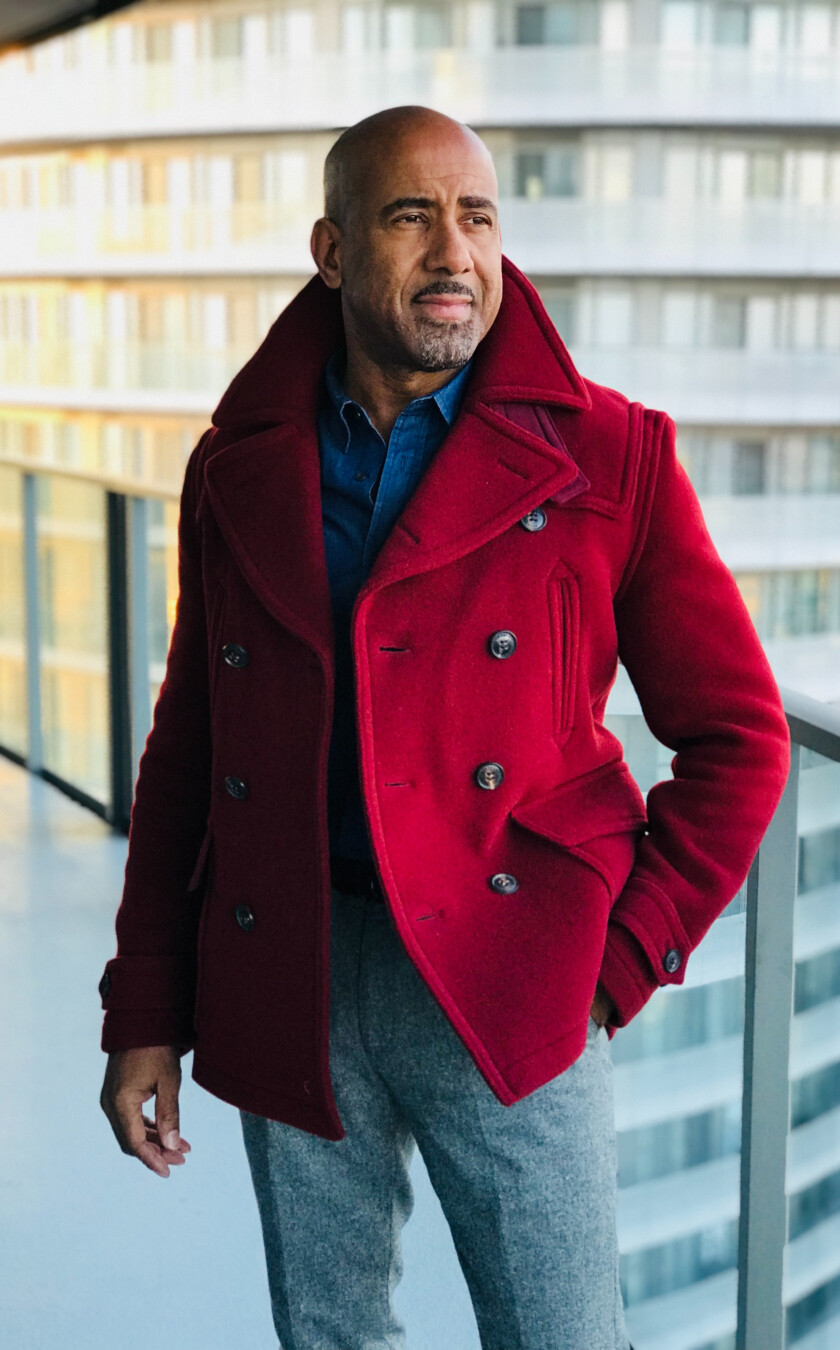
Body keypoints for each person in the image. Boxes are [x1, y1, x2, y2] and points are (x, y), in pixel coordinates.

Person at [99, 105, 790, 1350]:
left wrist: (616, 963)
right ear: (334, 249)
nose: (454, 253)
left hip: (512, 973)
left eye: (477, 217)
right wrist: (145, 1004)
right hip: (291, 955)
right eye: (411, 216)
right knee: (329, 1336)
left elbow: (740, 737)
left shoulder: (607, 454)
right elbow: (191, 747)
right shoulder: (240, 465)